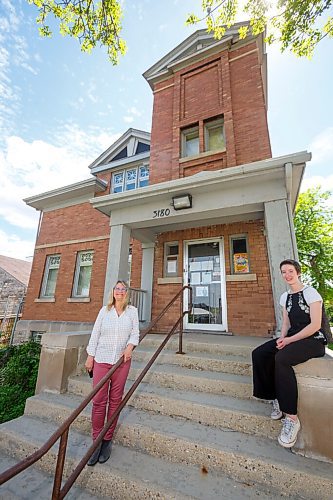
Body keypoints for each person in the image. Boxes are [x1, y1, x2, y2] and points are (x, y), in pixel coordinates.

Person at [252, 259, 327, 449]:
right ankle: (275, 397)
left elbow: (315, 325)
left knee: (282, 359)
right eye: (283, 272)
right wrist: (281, 338)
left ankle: (292, 418)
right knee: (260, 353)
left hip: (313, 340)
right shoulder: (285, 297)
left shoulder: (310, 293)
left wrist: (289, 342)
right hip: (292, 337)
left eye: (290, 271)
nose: (287, 275)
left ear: (298, 272)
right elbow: (286, 323)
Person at [85, 280, 139, 466]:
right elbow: (95, 334)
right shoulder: (104, 311)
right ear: (113, 292)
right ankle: (96, 441)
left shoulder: (132, 311)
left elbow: (135, 333)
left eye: (123, 289)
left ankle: (107, 440)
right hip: (101, 360)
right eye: (117, 289)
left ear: (127, 293)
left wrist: (130, 347)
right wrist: (90, 356)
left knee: (115, 401)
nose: (120, 292)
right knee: (99, 401)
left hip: (121, 363)